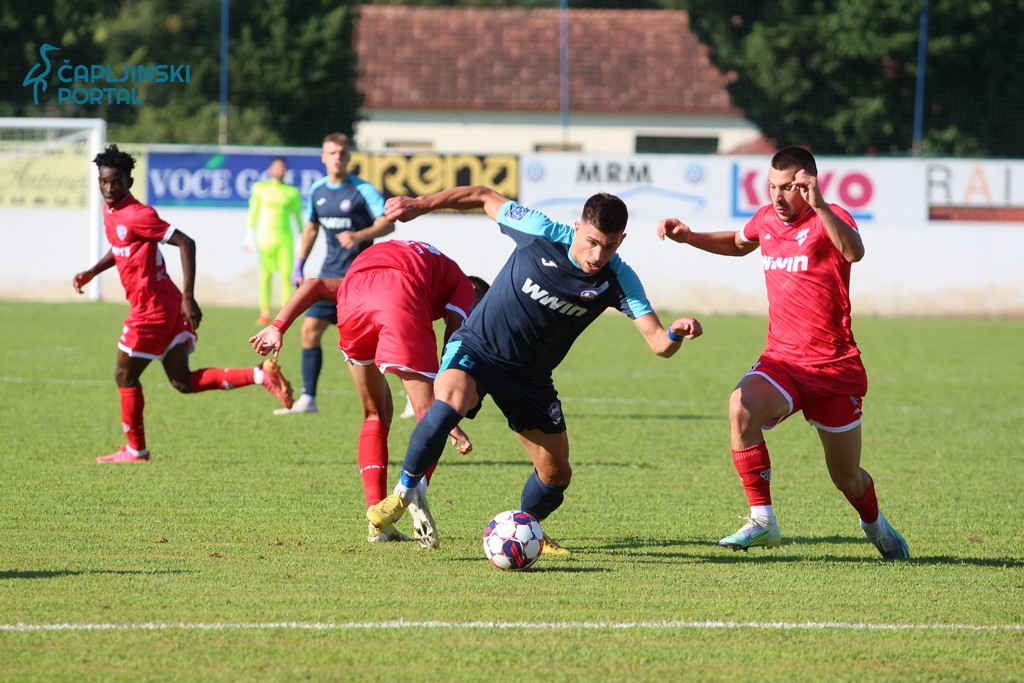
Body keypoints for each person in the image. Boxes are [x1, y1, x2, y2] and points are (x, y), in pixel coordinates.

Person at [365, 186, 703, 551]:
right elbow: (483, 196)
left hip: (530, 378)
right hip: (479, 348)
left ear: (621, 240)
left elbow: (658, 343)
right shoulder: (540, 232)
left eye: (609, 246)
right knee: (449, 403)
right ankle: (404, 493)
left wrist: (675, 333)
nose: (597, 255)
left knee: (556, 474)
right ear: (577, 228)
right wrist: (420, 204)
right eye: (591, 242)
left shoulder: (617, 279)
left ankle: (527, 528)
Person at [656, 146, 909, 560]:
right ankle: (763, 520)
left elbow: (854, 252)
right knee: (740, 407)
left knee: (846, 478)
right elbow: (739, 242)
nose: (777, 196)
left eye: (788, 187)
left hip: (833, 369)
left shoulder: (832, 216)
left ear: (808, 184)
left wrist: (820, 205)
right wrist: (691, 237)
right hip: (783, 361)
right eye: (772, 186)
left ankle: (875, 525)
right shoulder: (766, 219)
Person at [249, 239, 490, 546]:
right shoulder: (465, 287)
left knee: (375, 413)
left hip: (354, 299)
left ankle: (377, 521)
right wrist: (446, 411)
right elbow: (453, 349)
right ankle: (414, 492)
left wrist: (278, 326)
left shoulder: (419, 266)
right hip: (400, 294)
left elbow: (314, 284)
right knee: (431, 416)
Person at [72, 145, 295, 464]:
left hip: (152, 310)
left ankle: (136, 451)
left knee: (124, 375)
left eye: (116, 182)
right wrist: (93, 271)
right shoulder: (111, 212)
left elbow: (185, 242)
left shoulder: (139, 214)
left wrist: (189, 297)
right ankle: (261, 375)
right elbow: (121, 245)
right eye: (104, 182)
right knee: (182, 382)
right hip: (165, 305)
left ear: (129, 181)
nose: (109, 188)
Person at [274, 133, 395, 416]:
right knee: (309, 331)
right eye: (332, 152)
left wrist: (360, 235)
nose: (337, 157)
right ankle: (309, 399)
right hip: (329, 275)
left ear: (349, 157)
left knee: (377, 342)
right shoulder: (317, 190)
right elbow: (311, 228)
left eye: (342, 152)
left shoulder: (363, 190)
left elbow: (388, 223)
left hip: (360, 278)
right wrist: (299, 265)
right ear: (323, 157)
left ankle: (411, 396)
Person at [245, 156, 302, 324]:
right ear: (271, 169)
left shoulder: (291, 191)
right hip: (265, 238)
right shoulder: (260, 188)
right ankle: (265, 312)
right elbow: (253, 211)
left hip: (285, 238)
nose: (280, 170)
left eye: (283, 167)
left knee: (285, 275)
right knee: (265, 276)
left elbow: (297, 215)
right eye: (277, 167)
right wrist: (248, 234)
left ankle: (286, 313)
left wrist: (301, 235)